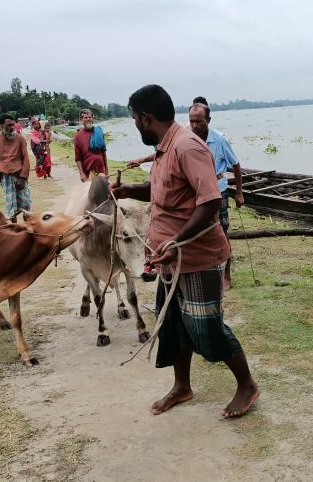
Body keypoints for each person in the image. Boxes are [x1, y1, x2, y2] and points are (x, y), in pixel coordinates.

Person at [111, 84, 259, 418]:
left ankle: (247, 384)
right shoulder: (165, 147)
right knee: (174, 324)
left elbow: (210, 201)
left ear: (146, 118)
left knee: (207, 327)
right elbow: (163, 189)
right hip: (169, 260)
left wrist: (175, 240)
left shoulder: (187, 146)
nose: (135, 125)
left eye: (135, 119)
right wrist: (129, 190)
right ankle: (182, 387)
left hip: (195, 257)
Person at [187, 97, 244, 232]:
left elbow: (235, 164)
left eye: (199, 121)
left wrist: (239, 193)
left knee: (222, 225)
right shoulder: (187, 139)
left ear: (208, 120)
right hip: (196, 190)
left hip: (218, 189)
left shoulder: (219, 139)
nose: (194, 126)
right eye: (191, 121)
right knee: (199, 225)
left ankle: (226, 251)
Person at [0, 113, 31, 223]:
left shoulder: (20, 138)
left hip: (19, 175)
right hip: (5, 177)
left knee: (26, 204)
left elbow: (26, 159)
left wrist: (23, 177)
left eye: (13, 125)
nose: (12, 127)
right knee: (11, 205)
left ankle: (28, 226)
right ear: (1, 125)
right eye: (8, 125)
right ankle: (15, 227)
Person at [74, 109, 108, 182]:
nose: (88, 119)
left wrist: (107, 170)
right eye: (85, 118)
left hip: (101, 169)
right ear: (81, 119)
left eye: (90, 117)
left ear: (92, 118)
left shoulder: (99, 132)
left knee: (104, 191)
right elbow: (78, 158)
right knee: (90, 192)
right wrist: (81, 174)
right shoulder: (78, 136)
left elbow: (103, 153)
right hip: (88, 171)